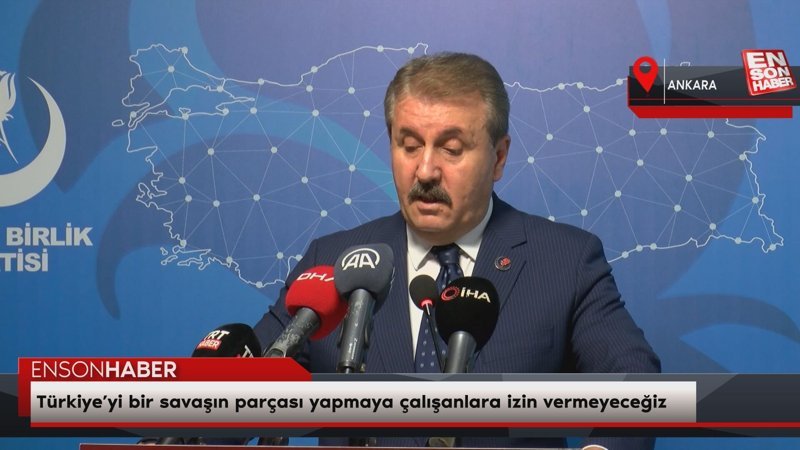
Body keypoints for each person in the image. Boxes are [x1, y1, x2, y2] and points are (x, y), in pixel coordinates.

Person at [254, 52, 660, 449]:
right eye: (409, 145)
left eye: (451, 149)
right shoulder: (331, 261)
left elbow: (637, 385)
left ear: (498, 157)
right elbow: (241, 390)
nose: (425, 171)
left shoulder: (565, 261)